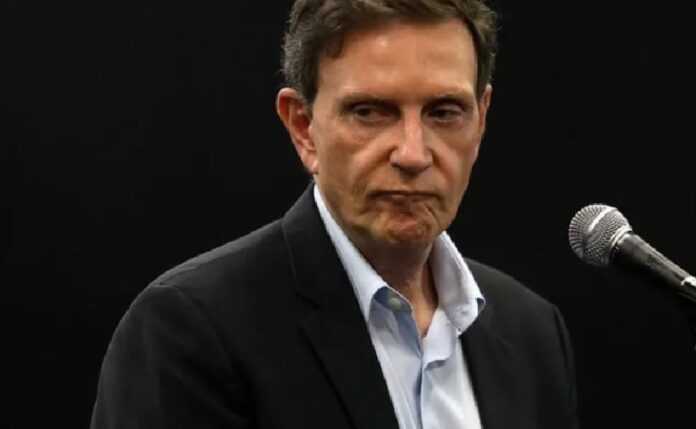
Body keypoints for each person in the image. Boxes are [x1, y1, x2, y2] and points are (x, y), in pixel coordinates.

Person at [91, 1, 579, 428]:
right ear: (303, 127)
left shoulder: (530, 332)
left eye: (444, 112)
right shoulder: (192, 331)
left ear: (481, 119)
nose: (412, 153)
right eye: (370, 112)